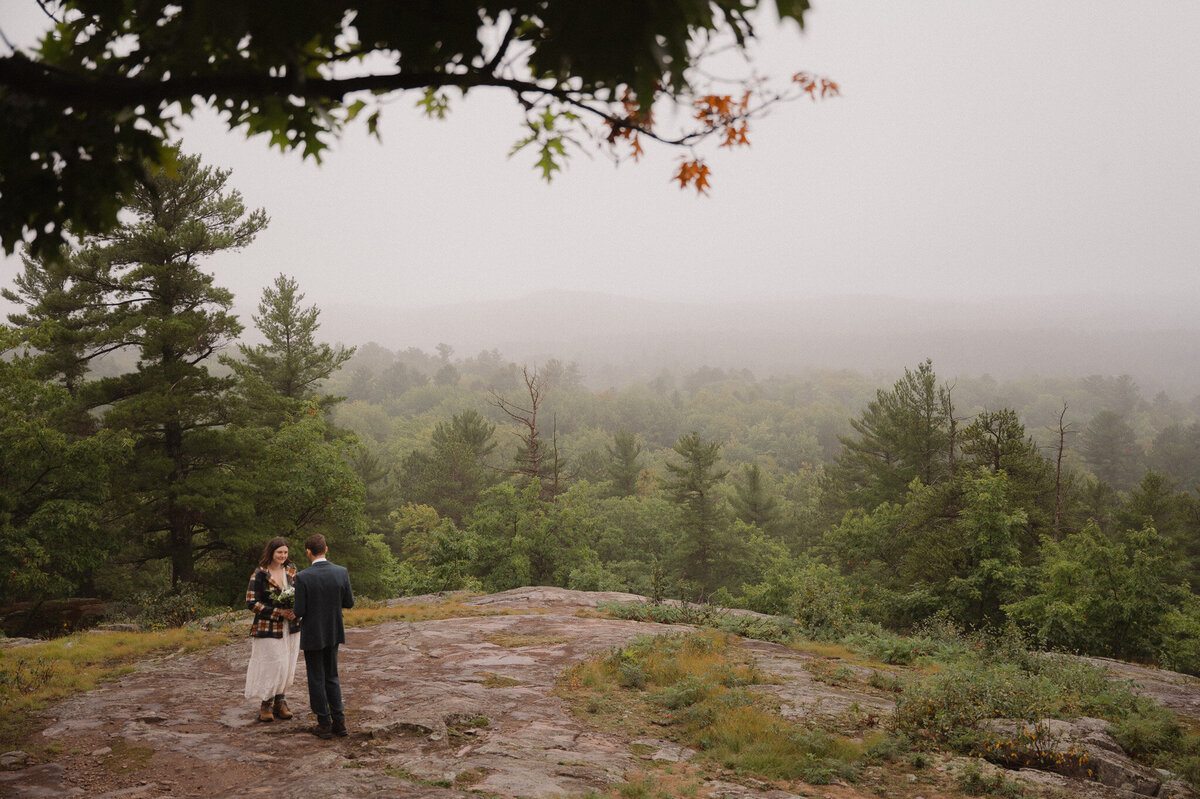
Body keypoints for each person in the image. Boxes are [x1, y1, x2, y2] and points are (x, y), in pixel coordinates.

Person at [293, 533, 354, 739]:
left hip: (312, 633)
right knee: (332, 676)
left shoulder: (302, 577)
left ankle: (323, 723)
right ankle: (339, 721)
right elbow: (349, 603)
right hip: (333, 631)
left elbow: (299, 610)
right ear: (326, 549)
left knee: (316, 678)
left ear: (308, 552)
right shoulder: (341, 572)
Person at [243, 536, 300, 723]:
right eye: (279, 552)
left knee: (287, 664)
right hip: (268, 626)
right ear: (271, 553)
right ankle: (265, 703)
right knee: (273, 664)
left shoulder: (292, 570)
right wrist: (277, 612)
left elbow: (301, 593)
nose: (283, 555)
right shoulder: (260, 573)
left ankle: (280, 702)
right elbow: (251, 602)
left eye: (285, 552)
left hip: (290, 627)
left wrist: (296, 611)